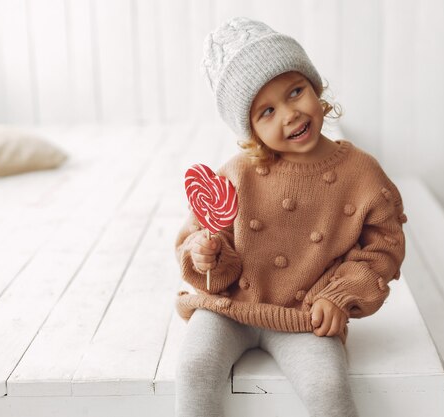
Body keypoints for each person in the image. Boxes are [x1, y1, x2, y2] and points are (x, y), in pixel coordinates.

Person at [174, 17, 407, 417]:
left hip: (306, 317)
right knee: (194, 366)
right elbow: (201, 234)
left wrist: (339, 295)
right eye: (266, 111)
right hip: (229, 308)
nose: (290, 114)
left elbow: (384, 246)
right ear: (250, 129)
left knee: (327, 384)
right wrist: (204, 253)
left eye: (295, 91)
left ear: (315, 87)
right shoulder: (237, 172)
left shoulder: (362, 172)